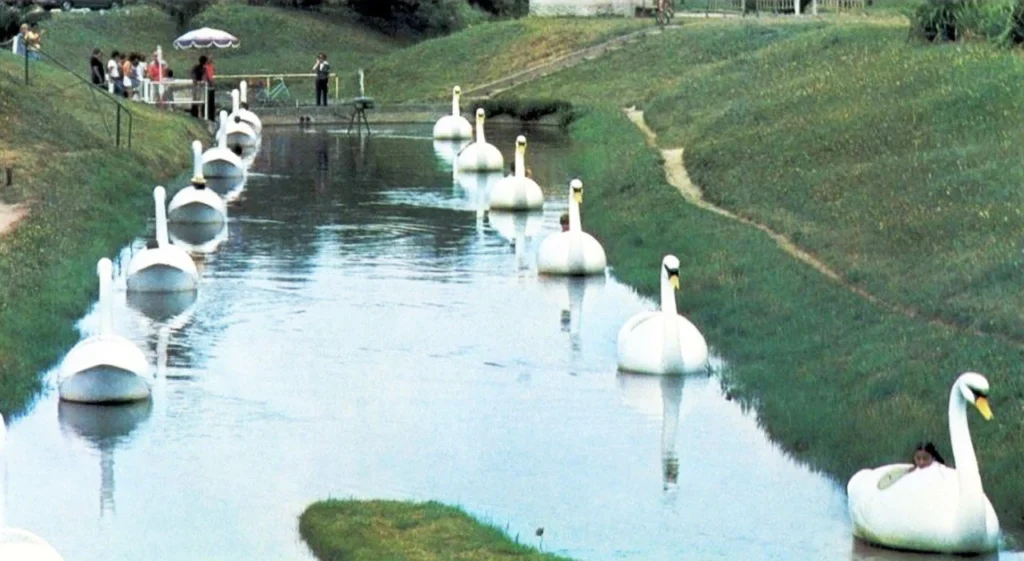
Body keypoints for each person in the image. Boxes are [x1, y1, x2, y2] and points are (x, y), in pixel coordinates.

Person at [204, 54, 216, 121]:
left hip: (211, 85)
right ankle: (207, 116)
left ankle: (212, 117)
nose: (210, 60)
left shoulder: (212, 66)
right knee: (207, 101)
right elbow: (207, 76)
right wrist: (210, 82)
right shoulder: (205, 67)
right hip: (207, 85)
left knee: (211, 102)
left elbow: (212, 74)